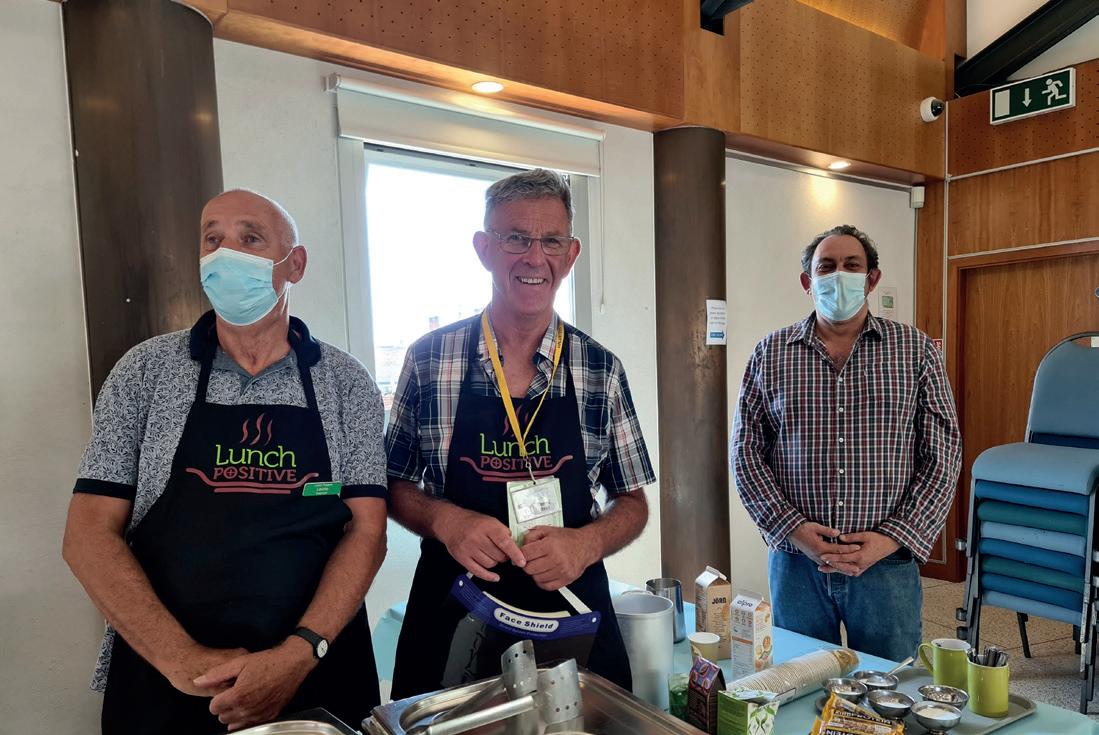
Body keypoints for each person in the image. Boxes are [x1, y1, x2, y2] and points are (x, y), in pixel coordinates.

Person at [62, 190, 388, 734]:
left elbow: (367, 530)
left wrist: (299, 653)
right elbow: (88, 534)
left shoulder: (346, 383)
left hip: (314, 672)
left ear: (295, 265)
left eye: (250, 238)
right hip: (166, 680)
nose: (225, 254)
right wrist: (181, 659)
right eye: (212, 239)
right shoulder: (144, 372)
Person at [385, 168, 654, 698]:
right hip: (453, 613)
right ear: (484, 249)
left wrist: (587, 543)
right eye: (515, 238)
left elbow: (633, 503)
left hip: (570, 617)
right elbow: (392, 486)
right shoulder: (430, 359)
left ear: (571, 254)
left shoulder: (600, 369)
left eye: (551, 241)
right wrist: (445, 519)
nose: (535, 258)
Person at [730, 224, 962, 661]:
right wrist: (793, 529)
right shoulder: (770, 354)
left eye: (852, 265)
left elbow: (943, 454)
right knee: (798, 679)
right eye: (827, 266)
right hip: (797, 562)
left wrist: (893, 538)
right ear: (807, 281)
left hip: (886, 564)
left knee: (890, 685)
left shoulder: (915, 351)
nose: (839, 275)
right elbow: (745, 454)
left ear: (872, 279)